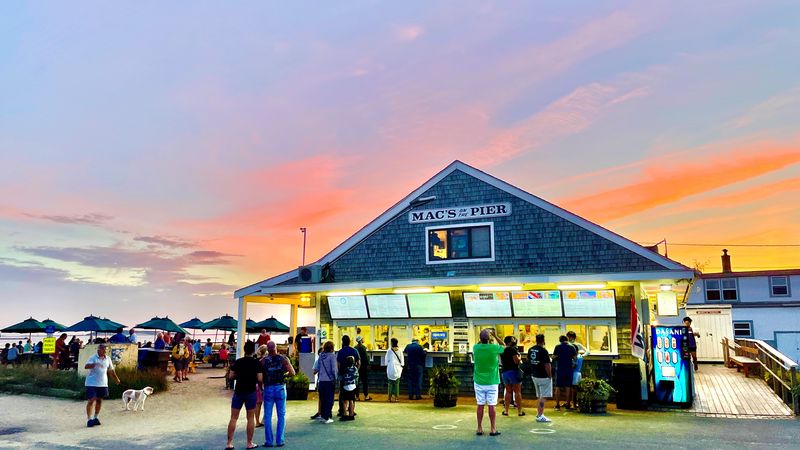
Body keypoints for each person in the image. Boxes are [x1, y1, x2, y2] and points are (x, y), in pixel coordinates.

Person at [226, 340, 262, 450]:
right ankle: (249, 443)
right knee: (250, 418)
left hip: (238, 391)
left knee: (233, 417)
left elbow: (231, 376)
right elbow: (260, 378)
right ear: (253, 350)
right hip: (251, 391)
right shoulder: (257, 363)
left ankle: (229, 443)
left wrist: (238, 376)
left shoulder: (238, 362)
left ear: (244, 350)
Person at [260, 341, 295, 447]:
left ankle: (269, 441)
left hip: (268, 388)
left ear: (267, 349)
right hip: (280, 387)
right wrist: (285, 375)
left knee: (268, 416)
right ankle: (280, 440)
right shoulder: (283, 359)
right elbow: (292, 372)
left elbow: (260, 377)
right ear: (276, 348)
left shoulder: (263, 361)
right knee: (281, 415)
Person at [473, 328, 504, 436]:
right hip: (492, 381)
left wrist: (483, 337)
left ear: (480, 339)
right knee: (492, 405)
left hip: (478, 381)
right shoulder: (494, 348)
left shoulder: (476, 348)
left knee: (480, 404)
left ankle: (479, 428)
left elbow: (479, 343)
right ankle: (493, 429)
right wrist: (495, 336)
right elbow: (504, 345)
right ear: (489, 339)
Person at [84, 344, 121, 428]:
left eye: (106, 350)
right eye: (103, 349)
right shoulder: (93, 358)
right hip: (91, 383)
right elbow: (86, 366)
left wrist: (116, 379)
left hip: (103, 383)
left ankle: (96, 417)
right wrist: (93, 365)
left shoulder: (107, 358)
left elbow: (111, 370)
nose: (105, 351)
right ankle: (89, 419)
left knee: (99, 400)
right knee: (91, 400)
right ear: (98, 350)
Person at [527, 334, 553, 423]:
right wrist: (549, 375)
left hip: (534, 375)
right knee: (544, 396)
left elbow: (529, 361)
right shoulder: (543, 351)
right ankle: (540, 415)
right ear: (543, 340)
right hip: (543, 376)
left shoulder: (530, 349)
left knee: (539, 395)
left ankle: (539, 413)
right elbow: (547, 364)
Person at [336, 335, 360, 416]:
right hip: (353, 377)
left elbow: (338, 364)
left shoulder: (340, 352)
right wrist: (355, 371)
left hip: (343, 375)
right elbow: (359, 363)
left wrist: (339, 373)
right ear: (350, 342)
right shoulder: (355, 351)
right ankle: (351, 410)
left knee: (342, 394)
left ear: (342, 342)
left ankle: (342, 410)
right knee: (352, 394)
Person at [552, 335, 577, 411]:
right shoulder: (572, 347)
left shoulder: (557, 347)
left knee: (558, 386)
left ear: (560, 340)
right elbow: (575, 358)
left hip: (560, 368)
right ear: (567, 339)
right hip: (569, 369)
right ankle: (568, 404)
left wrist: (557, 357)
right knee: (568, 387)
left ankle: (557, 405)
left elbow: (553, 356)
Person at [314, 341, 337, 423]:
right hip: (329, 381)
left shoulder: (320, 356)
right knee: (329, 399)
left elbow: (316, 368)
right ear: (332, 348)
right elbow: (334, 369)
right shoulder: (332, 356)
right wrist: (335, 378)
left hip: (321, 380)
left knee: (323, 399)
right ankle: (327, 417)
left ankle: (323, 415)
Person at [501, 335, 524, 416]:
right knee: (517, 391)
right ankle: (520, 411)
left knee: (508, 391)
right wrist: (520, 357)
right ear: (510, 342)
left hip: (505, 372)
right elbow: (516, 361)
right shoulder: (512, 350)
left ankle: (506, 411)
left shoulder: (502, 349)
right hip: (513, 372)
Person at [566, 330, 587, 409]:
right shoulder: (580, 357)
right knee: (576, 389)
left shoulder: (575, 358)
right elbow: (587, 352)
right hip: (579, 373)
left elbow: (573, 366)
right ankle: (575, 403)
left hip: (574, 374)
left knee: (573, 389)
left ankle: (574, 404)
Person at [339, 356, 358, 421]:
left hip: (346, 386)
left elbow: (341, 378)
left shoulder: (345, 369)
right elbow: (357, 376)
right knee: (351, 400)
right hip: (353, 386)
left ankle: (345, 414)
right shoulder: (355, 368)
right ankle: (351, 414)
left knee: (344, 400)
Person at [385, 338, 404, 403]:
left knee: (390, 384)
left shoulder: (389, 351)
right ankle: (396, 398)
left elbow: (386, 360)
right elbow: (402, 361)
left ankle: (389, 398)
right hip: (398, 368)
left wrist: (388, 364)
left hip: (390, 368)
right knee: (396, 384)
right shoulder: (400, 350)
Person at [254, 345, 269, 427]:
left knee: (258, 404)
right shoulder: (267, 361)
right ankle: (264, 419)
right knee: (267, 403)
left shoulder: (256, 361)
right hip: (265, 383)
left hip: (256, 384)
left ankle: (257, 421)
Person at [354, 336, 371, 401]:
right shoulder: (363, 347)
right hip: (363, 366)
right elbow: (366, 357)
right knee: (365, 382)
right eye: (362, 338)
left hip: (357, 367)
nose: (364, 339)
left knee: (357, 382)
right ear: (361, 340)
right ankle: (366, 396)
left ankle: (357, 396)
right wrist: (368, 364)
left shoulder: (355, 348)